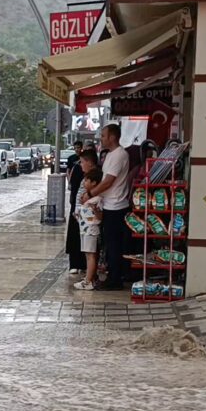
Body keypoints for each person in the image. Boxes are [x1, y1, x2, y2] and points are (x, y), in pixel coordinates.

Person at [87, 123, 131, 290]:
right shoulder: (111, 155)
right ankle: (113, 276)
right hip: (109, 204)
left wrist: (91, 194)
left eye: (104, 135)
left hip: (116, 206)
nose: (101, 138)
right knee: (109, 243)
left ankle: (115, 280)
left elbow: (108, 182)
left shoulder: (120, 155)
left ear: (112, 137)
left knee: (114, 245)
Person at [73, 169, 103, 291]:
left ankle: (88, 281)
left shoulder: (97, 199)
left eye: (86, 180)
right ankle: (89, 278)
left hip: (91, 230)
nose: (84, 182)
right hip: (84, 230)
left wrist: (95, 209)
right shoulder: (87, 198)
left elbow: (100, 216)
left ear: (94, 183)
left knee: (91, 255)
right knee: (88, 255)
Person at [64, 141, 87, 274]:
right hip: (76, 206)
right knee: (75, 234)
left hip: (89, 208)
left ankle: (85, 264)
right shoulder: (75, 164)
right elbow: (71, 178)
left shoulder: (95, 172)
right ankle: (75, 263)